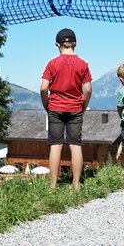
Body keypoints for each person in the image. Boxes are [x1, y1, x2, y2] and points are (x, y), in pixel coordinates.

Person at [40, 28, 92, 190]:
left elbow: (43, 88)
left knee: (55, 145)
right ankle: (76, 184)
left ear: (58, 44)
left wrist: (46, 105)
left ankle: (53, 185)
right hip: (75, 108)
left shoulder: (52, 63)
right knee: (75, 145)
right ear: (75, 44)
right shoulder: (83, 64)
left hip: (55, 107)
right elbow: (88, 90)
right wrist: (82, 106)